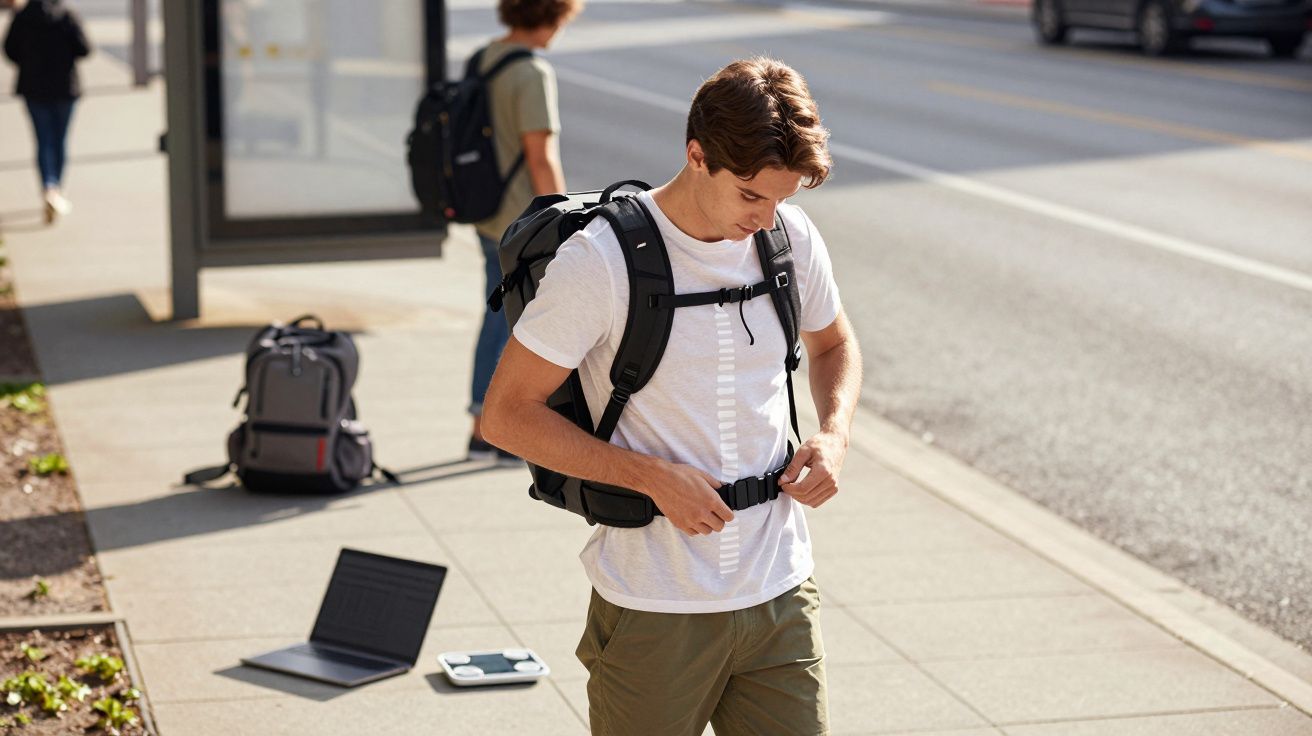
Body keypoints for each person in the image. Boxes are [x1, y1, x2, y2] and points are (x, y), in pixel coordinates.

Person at [482, 58, 863, 735]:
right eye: (751, 195)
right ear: (696, 156)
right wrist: (650, 477)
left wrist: (833, 434)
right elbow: (507, 415)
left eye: (782, 198)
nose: (766, 216)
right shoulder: (601, 261)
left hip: (780, 589)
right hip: (654, 603)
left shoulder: (788, 238)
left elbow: (835, 345)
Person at [466, 0, 581, 463]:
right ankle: (487, 431)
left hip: (486, 212)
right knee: (511, 323)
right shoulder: (532, 72)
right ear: (553, 15)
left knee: (496, 315)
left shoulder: (485, 56)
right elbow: (540, 155)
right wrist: (565, 219)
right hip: (521, 223)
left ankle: (484, 426)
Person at [4, 0, 91, 224]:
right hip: (64, 87)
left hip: (34, 88)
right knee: (59, 140)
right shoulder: (67, 15)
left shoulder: (23, 17)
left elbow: (10, 50)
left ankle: (48, 186)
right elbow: (84, 48)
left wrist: (30, 60)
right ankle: (56, 187)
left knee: (43, 140)